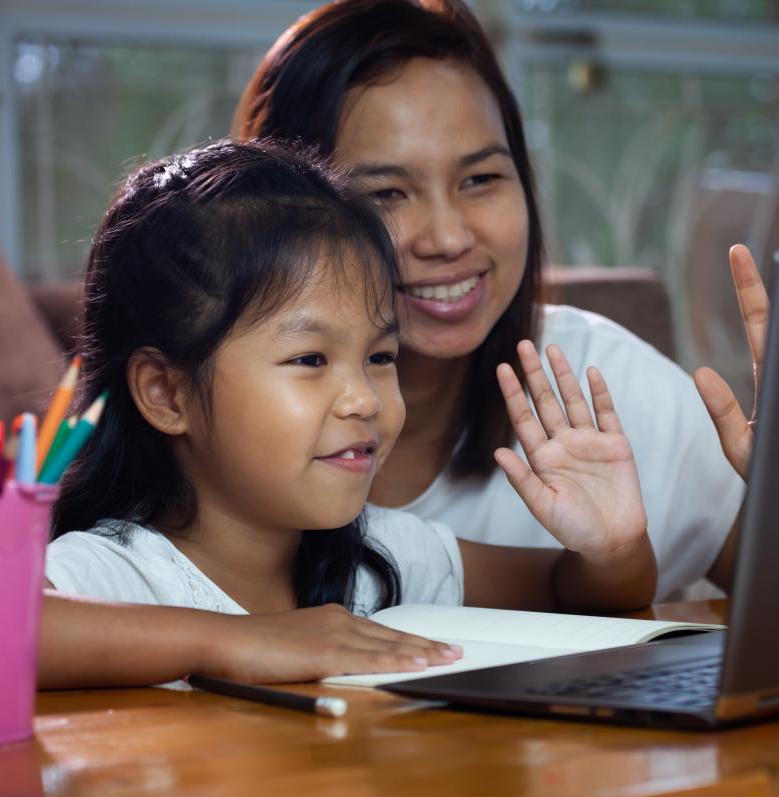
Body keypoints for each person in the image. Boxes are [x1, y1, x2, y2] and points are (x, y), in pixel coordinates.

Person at [233, 0, 779, 601]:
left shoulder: (604, 387)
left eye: (480, 180)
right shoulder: (213, 420)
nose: (449, 238)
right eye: (387, 193)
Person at [38, 138, 656, 689]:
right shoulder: (113, 573)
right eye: (310, 359)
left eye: (381, 356)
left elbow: (572, 591)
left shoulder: (382, 557)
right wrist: (233, 641)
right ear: (167, 394)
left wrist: (612, 550)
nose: (365, 399)